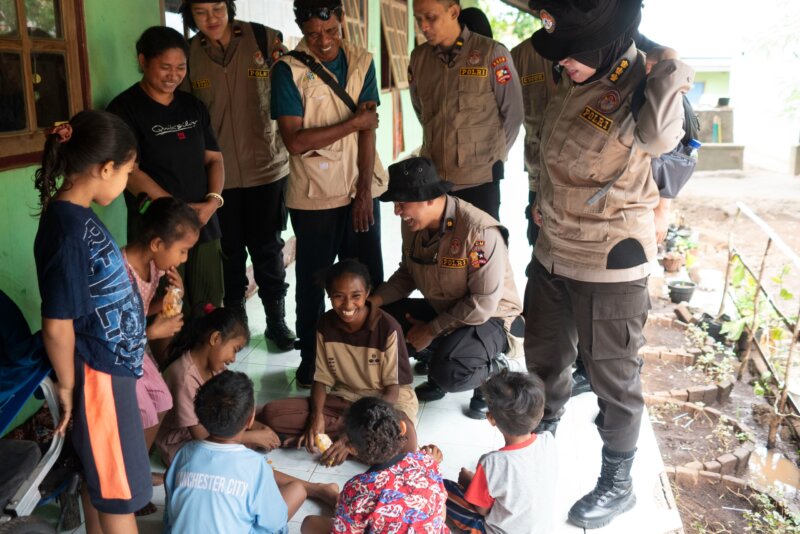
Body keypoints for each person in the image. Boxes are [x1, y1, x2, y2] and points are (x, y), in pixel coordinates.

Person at [523, 0, 694, 528]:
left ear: (603, 46)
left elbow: (664, 138)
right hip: (554, 247)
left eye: (572, 54)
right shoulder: (570, 77)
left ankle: (617, 485)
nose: (561, 62)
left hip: (610, 260)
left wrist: (667, 64)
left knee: (613, 379)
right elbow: (544, 150)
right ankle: (538, 444)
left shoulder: (644, 86)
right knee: (545, 356)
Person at [33, 110, 150, 533]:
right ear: (105, 168)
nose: (127, 182)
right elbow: (57, 323)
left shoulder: (76, 215)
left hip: (108, 368)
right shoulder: (66, 228)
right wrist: (67, 384)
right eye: (128, 172)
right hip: (96, 372)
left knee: (105, 481)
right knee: (118, 494)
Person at [271, 0, 388, 386]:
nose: (323, 40)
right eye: (313, 33)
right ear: (301, 29)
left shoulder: (362, 61)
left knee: (368, 278)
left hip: (359, 189)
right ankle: (310, 356)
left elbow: (368, 130)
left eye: (330, 30)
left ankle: (370, 353)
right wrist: (353, 121)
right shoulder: (288, 70)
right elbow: (295, 141)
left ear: (341, 20)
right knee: (314, 281)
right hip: (315, 195)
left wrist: (364, 191)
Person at [370, 157, 525, 420]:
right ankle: (441, 354)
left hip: (492, 319)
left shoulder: (478, 233)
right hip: (447, 308)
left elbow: (482, 305)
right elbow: (407, 274)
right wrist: (372, 302)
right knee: (379, 321)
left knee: (451, 371)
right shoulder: (414, 224)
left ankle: (493, 371)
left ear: (429, 198)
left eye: (402, 203)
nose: (397, 211)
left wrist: (431, 330)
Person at [180, 1, 296, 350]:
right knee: (228, 255)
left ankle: (277, 322)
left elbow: (294, 92)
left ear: (228, 8)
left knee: (267, 250)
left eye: (217, 8)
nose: (211, 18)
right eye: (201, 13)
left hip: (268, 171)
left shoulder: (264, 40)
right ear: (191, 16)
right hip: (218, 180)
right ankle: (236, 324)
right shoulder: (189, 56)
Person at [107, 25, 225, 310]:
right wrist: (177, 211)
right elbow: (131, 172)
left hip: (203, 222)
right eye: (165, 67)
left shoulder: (193, 107)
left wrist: (212, 202)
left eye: (180, 67)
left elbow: (215, 159)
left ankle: (204, 355)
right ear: (143, 61)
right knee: (164, 306)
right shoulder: (124, 109)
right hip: (157, 229)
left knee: (208, 304)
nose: (173, 75)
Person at [259, 259, 419, 466]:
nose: (347, 305)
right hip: (346, 398)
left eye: (356, 296)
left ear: (368, 293)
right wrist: (316, 417)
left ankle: (348, 443)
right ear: (329, 295)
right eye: (338, 297)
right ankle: (358, 444)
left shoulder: (387, 328)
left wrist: (350, 436)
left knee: (406, 444)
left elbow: (391, 392)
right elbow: (321, 379)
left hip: (386, 404)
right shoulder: (325, 325)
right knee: (273, 414)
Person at [122, 196, 201, 515]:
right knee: (143, 412)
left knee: (163, 401)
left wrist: (172, 296)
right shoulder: (120, 271)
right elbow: (110, 329)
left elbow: (141, 309)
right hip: (116, 356)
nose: (183, 259)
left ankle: (136, 472)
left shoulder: (155, 267)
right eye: (182, 251)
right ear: (157, 243)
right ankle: (129, 483)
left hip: (134, 350)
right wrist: (152, 333)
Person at [409, 0, 523, 220]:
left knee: (480, 249)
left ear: (453, 12)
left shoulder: (492, 54)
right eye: (418, 18)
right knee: (441, 249)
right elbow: (421, 111)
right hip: (436, 179)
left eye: (430, 17)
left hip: (480, 180)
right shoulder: (419, 59)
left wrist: (491, 157)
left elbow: (514, 115)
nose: (423, 26)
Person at [164, 371, 292, 533]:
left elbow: (170, 509)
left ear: (199, 416)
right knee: (293, 496)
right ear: (250, 419)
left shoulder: (185, 453)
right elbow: (274, 523)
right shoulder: (255, 464)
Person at [300, 397, 449, 534]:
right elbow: (441, 504)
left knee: (309, 524)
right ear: (402, 428)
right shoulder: (427, 461)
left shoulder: (357, 488)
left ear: (352, 449)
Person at [438, 370, 557, 534]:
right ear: (541, 414)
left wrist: (470, 483)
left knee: (442, 487)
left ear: (491, 418)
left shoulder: (492, 463)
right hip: (541, 529)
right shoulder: (548, 441)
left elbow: (482, 510)